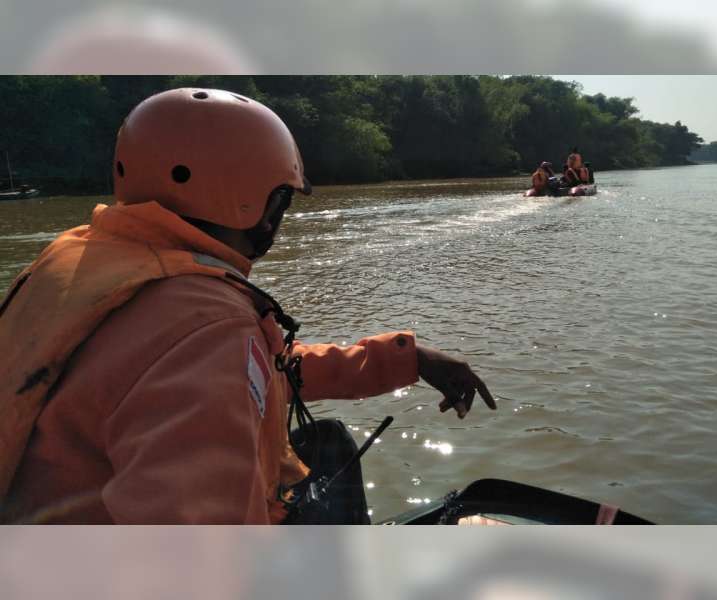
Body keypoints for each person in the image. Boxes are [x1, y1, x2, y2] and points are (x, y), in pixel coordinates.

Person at [0, 88, 496, 524]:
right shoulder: (205, 327)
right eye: (281, 200)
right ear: (258, 204)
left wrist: (406, 358)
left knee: (326, 443)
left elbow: (267, 372)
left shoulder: (82, 258)